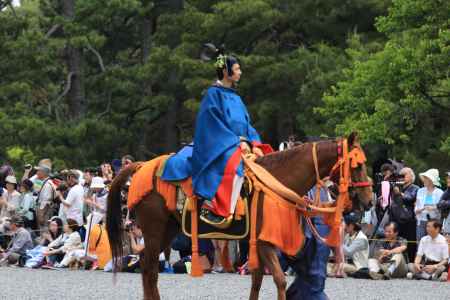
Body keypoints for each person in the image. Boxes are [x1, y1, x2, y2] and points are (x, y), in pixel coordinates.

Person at [161, 49, 270, 227]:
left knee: (266, 161)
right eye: (237, 69)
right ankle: (215, 208)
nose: (240, 72)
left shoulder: (236, 97)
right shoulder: (213, 94)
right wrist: (237, 142)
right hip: (219, 144)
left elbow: (247, 124)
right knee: (235, 165)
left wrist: (254, 142)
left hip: (241, 143)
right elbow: (212, 125)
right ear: (227, 73)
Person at [392, 167, 419, 260]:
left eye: (404, 174)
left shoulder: (415, 188)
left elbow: (410, 198)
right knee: (398, 242)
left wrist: (399, 193)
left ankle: (411, 261)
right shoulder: (397, 187)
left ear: (411, 177)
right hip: (396, 219)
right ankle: (398, 261)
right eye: (401, 175)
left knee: (410, 242)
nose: (402, 177)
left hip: (409, 220)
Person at [415, 169, 444, 241]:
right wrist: (419, 210)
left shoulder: (440, 193)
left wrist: (433, 208)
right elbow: (416, 206)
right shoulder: (420, 191)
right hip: (421, 221)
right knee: (420, 241)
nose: (424, 180)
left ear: (431, 180)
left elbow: (442, 208)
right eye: (424, 178)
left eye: (426, 178)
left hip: (434, 222)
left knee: (433, 242)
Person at [34, 161, 56, 230]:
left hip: (45, 213)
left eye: (38, 171)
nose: (37, 172)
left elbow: (46, 202)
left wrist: (41, 215)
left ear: (43, 173)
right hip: (43, 212)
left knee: (44, 231)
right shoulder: (45, 182)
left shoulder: (47, 185)